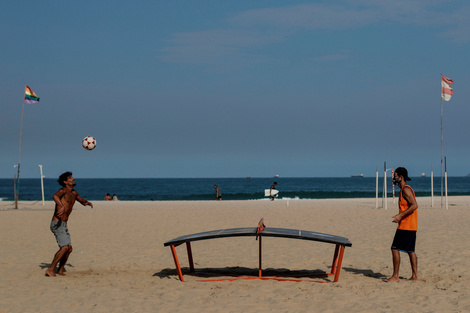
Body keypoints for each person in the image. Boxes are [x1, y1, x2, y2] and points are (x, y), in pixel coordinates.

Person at [45, 172, 93, 277]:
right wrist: (61, 205)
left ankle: (60, 270)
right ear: (65, 182)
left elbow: (81, 201)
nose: (73, 178)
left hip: (64, 224)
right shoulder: (63, 191)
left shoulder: (74, 193)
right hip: (57, 223)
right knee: (65, 248)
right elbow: (55, 196)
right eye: (70, 178)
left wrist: (86, 202)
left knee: (69, 248)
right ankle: (50, 269)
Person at [384, 167, 418, 282]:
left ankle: (395, 276)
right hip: (411, 225)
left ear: (401, 177)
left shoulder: (405, 190)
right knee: (410, 250)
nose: (394, 178)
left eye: (395, 176)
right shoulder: (404, 189)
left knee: (394, 248)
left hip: (406, 225)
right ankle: (414, 276)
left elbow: (414, 205)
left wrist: (400, 216)